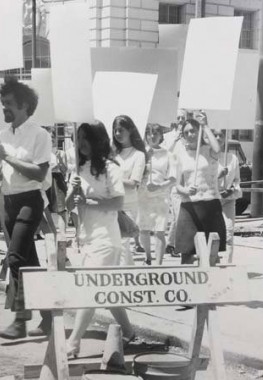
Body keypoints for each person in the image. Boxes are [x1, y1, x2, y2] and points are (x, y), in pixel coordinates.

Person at [65, 122, 135, 357]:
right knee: (107, 290)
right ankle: (129, 331)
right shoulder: (79, 168)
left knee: (92, 290)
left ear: (98, 141)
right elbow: (67, 207)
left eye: (87, 138)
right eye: (79, 138)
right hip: (85, 239)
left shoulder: (110, 167)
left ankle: (73, 343)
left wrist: (89, 202)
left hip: (106, 239)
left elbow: (118, 202)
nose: (81, 143)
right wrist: (72, 192)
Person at [0, 77, 51, 339]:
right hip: (9, 201)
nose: (5, 109)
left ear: (25, 106)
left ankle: (20, 319)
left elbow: (39, 173)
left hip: (29, 201)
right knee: (30, 261)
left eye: (10, 104)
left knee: (14, 258)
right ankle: (49, 316)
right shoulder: (3, 136)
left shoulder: (40, 134)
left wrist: (7, 158)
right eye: (3, 104)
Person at [174, 114, 226, 264]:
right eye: (186, 132)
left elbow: (217, 148)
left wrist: (205, 125)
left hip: (210, 204)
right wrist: (186, 190)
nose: (190, 135)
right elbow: (178, 185)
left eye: (193, 131)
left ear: (199, 132)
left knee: (212, 255)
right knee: (186, 253)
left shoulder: (209, 150)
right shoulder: (181, 155)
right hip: (189, 207)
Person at [137, 124, 175, 265]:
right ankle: (148, 257)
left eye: (155, 133)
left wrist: (159, 186)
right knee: (144, 229)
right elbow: (134, 174)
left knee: (159, 231)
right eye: (149, 133)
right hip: (143, 196)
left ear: (161, 136)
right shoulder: (140, 154)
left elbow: (173, 178)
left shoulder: (169, 154)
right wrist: (146, 158)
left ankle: (159, 263)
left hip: (160, 196)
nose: (152, 136)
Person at [111, 115, 146, 265]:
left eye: (121, 130)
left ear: (130, 130)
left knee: (125, 244)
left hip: (127, 205)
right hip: (111, 204)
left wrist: (111, 178)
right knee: (115, 245)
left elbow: (133, 183)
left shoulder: (139, 155)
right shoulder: (113, 154)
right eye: (115, 130)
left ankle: (126, 277)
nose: (118, 134)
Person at [213, 129, 241, 263]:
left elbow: (237, 180)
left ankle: (227, 264)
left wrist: (232, 189)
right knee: (213, 233)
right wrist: (218, 176)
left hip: (228, 201)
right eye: (215, 135)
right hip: (212, 200)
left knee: (229, 232)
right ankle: (212, 262)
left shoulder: (232, 158)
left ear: (225, 138)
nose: (218, 138)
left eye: (221, 135)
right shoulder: (208, 157)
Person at [164, 109, 188, 257]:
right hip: (173, 180)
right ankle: (175, 244)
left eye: (182, 118)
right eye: (178, 118)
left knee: (179, 215)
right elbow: (164, 153)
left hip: (187, 179)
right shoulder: (168, 137)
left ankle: (171, 244)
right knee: (179, 214)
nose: (180, 120)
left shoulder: (188, 136)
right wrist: (175, 140)